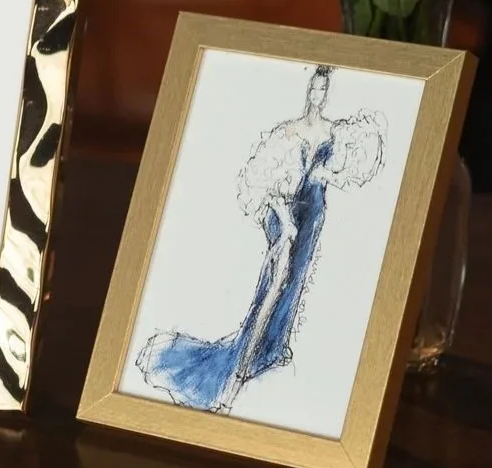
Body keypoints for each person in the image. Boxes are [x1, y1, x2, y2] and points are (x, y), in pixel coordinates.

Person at [133, 66, 386, 413]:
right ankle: (238, 369)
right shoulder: (288, 132)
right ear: (308, 90)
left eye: (323, 90)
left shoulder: (333, 131)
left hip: (313, 212)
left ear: (327, 93)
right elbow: (263, 180)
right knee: (275, 282)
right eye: (314, 89)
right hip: (285, 214)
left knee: (296, 280)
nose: (317, 96)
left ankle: (271, 348)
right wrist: (285, 222)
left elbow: (343, 167)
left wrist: (327, 176)